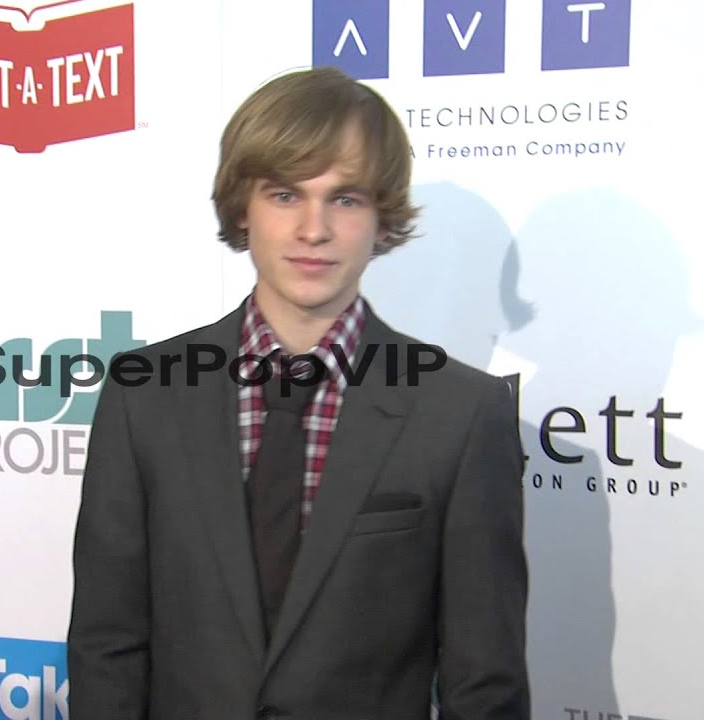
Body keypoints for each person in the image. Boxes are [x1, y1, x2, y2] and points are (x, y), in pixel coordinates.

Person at [67, 66, 530, 720]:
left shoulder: (461, 413)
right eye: (285, 195)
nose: (314, 229)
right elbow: (107, 643)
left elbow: (484, 683)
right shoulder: (145, 394)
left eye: (346, 199)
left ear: (381, 218)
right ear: (243, 207)